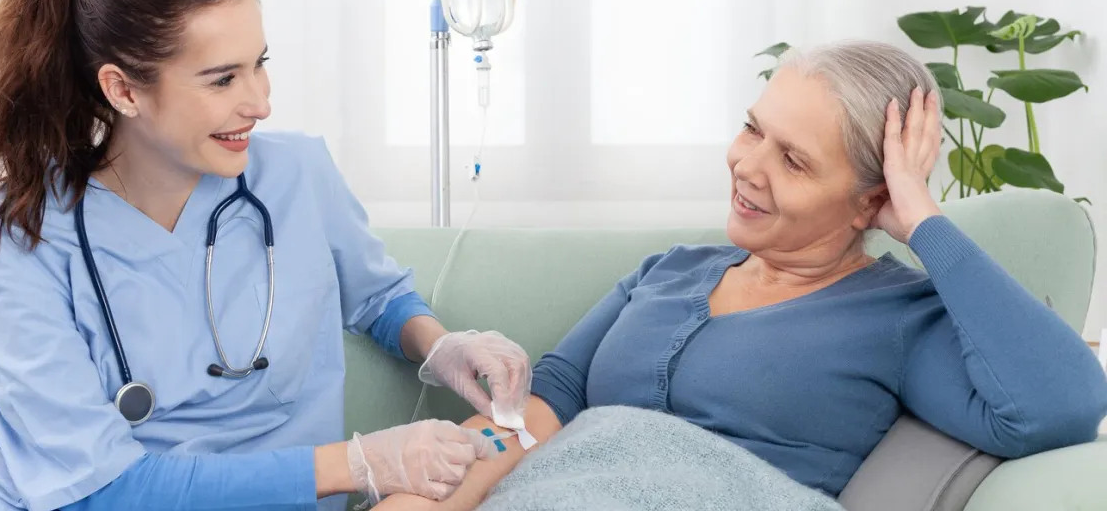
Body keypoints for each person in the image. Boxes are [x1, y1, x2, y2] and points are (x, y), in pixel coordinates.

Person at [0, 0, 533, 511]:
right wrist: (360, 464)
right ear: (123, 90)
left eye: (260, 63)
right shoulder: (16, 241)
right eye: (223, 79)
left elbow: (375, 297)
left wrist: (442, 345)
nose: (260, 102)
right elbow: (99, 491)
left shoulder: (295, 175)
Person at [373, 40, 1107, 510]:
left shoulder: (900, 318)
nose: (748, 167)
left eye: (793, 160)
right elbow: (545, 405)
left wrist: (922, 220)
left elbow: (1060, 407)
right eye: (754, 128)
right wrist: (424, 496)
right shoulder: (668, 273)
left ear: (870, 201)